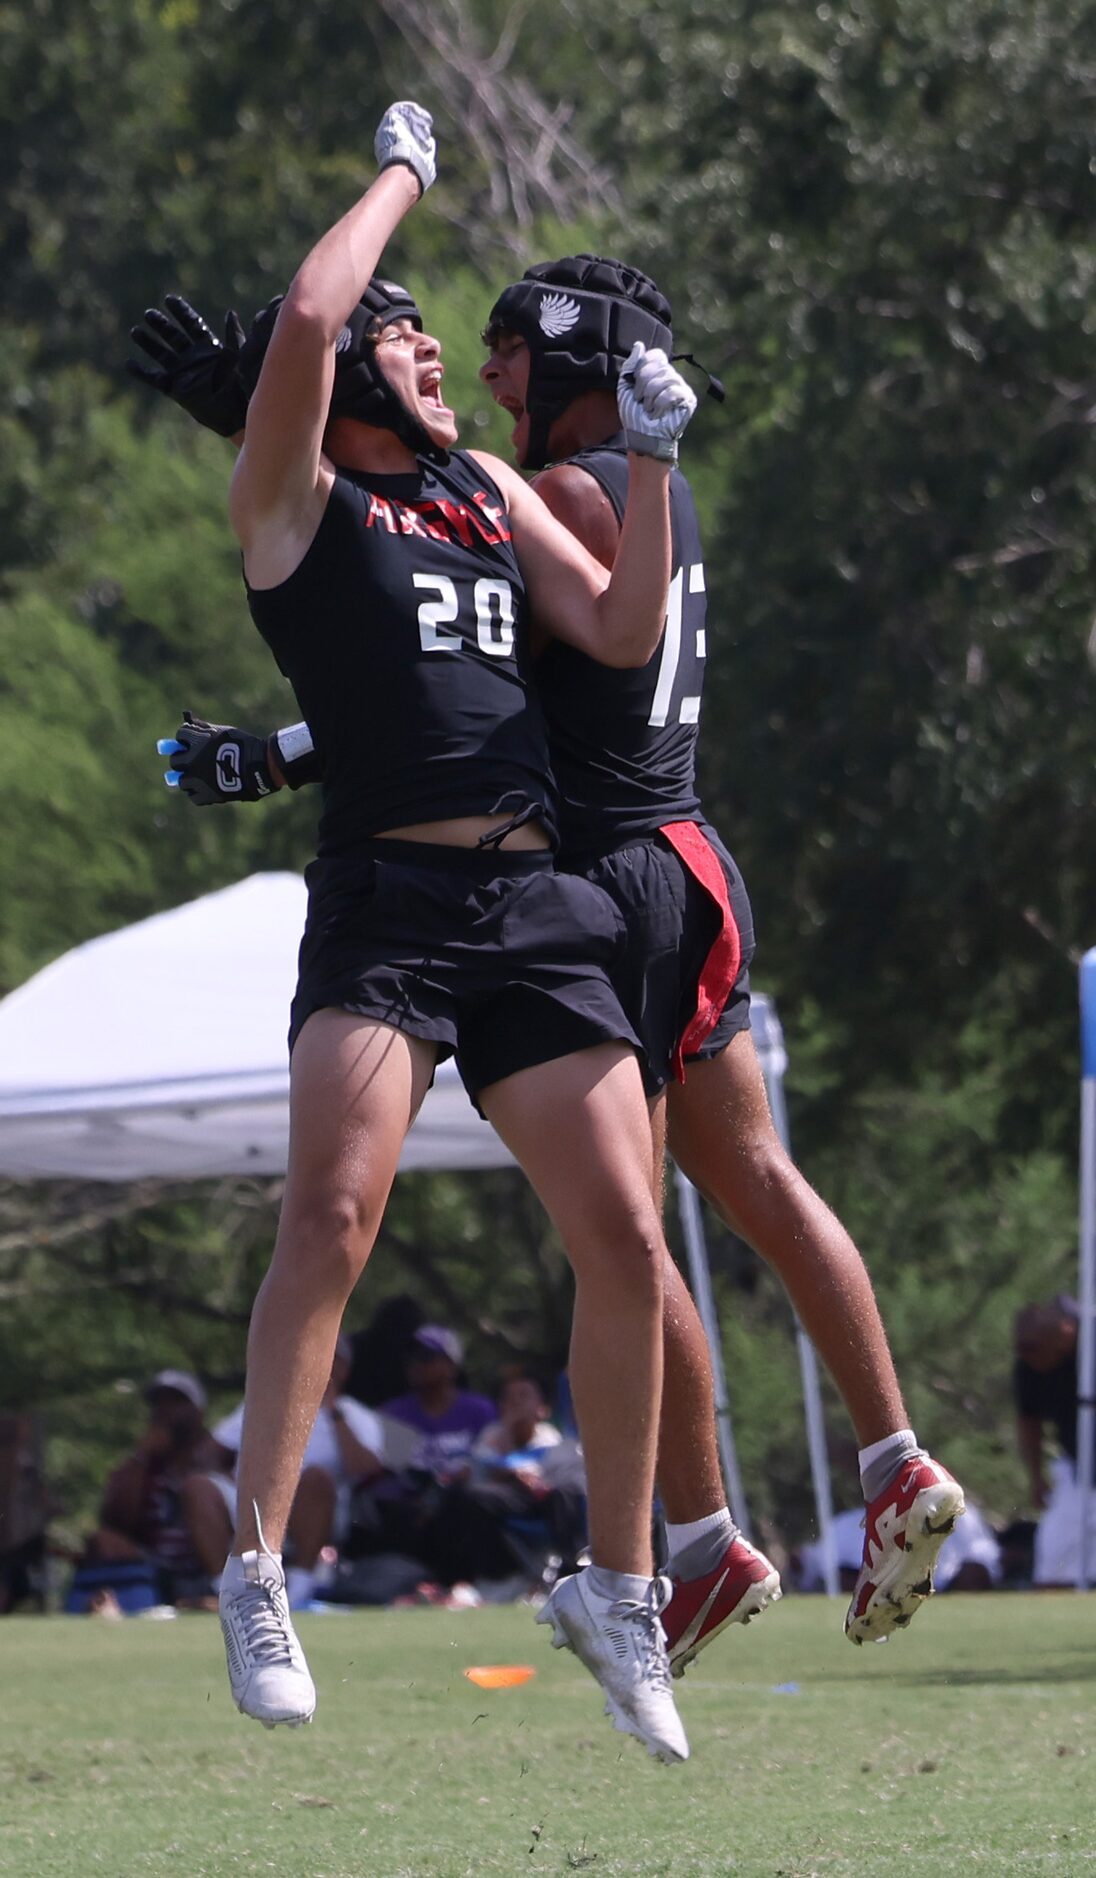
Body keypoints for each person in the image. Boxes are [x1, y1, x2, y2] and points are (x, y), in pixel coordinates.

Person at [148, 249, 965, 1660]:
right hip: (689, 859)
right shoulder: (633, 483)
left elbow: (430, 668)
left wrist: (278, 742)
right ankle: (873, 1461)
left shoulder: (564, 492)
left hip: (609, 870)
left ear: (581, 363)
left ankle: (703, 1534)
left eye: (518, 346)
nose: (493, 368)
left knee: (627, 1226)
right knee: (707, 1195)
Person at [146, 103, 701, 1762]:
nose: (447, 363)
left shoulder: (475, 489)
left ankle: (619, 1584)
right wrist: (403, 169)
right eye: (421, 342)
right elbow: (312, 321)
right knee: (330, 1212)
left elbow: (614, 619)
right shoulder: (296, 503)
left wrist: (655, 463)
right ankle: (257, 1566)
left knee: (627, 1238)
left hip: (531, 896)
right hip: (386, 895)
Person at [211, 1335, 386, 1608]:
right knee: (200, 1487)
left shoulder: (357, 1416)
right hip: (254, 1497)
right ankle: (223, 1591)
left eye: (330, 1355)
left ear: (344, 1368)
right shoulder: (266, 1403)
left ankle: (298, 1589)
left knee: (314, 1477)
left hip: (317, 1507)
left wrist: (333, 1414)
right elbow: (210, 1452)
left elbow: (366, 1469)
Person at [78, 1371, 228, 1607]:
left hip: (215, 1564)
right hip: (159, 1569)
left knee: (196, 1489)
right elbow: (113, 1519)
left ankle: (225, 1594)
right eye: (159, 1404)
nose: (166, 1411)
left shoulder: (221, 1452)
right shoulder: (146, 1465)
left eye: (177, 1402)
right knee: (103, 1541)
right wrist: (141, 1456)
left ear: (198, 1410)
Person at [1014, 1296, 1094, 1585]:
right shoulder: (1029, 1365)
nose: (1029, 1356)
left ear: (1065, 1333)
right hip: (1076, 1471)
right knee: (1054, 1559)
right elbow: (1029, 1420)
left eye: (1035, 1348)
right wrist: (1036, 1477)